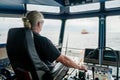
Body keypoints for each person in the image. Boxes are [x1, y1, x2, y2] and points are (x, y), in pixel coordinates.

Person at [22, 11, 87, 73]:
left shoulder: (19, 38)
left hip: (25, 72)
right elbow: (64, 60)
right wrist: (79, 66)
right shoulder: (42, 40)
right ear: (39, 23)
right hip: (44, 75)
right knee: (64, 64)